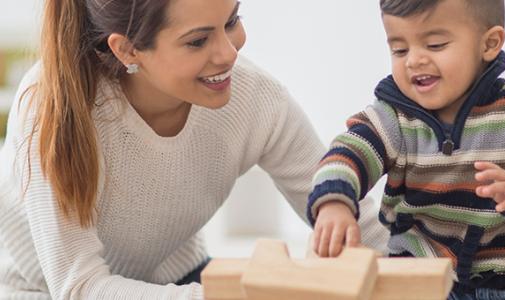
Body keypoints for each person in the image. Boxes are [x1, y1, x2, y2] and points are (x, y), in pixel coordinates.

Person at [0, 0, 389, 298]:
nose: (229, 53)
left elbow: (361, 227)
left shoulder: (256, 100)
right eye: (198, 40)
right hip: (43, 291)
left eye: (232, 21)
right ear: (127, 50)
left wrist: (433, 278)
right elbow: (80, 287)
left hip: (175, 279)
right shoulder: (50, 108)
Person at [307, 0, 505, 299]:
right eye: (399, 49)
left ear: (489, 44)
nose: (413, 60)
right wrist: (335, 201)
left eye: (435, 45)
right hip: (426, 281)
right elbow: (347, 152)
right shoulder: (392, 118)